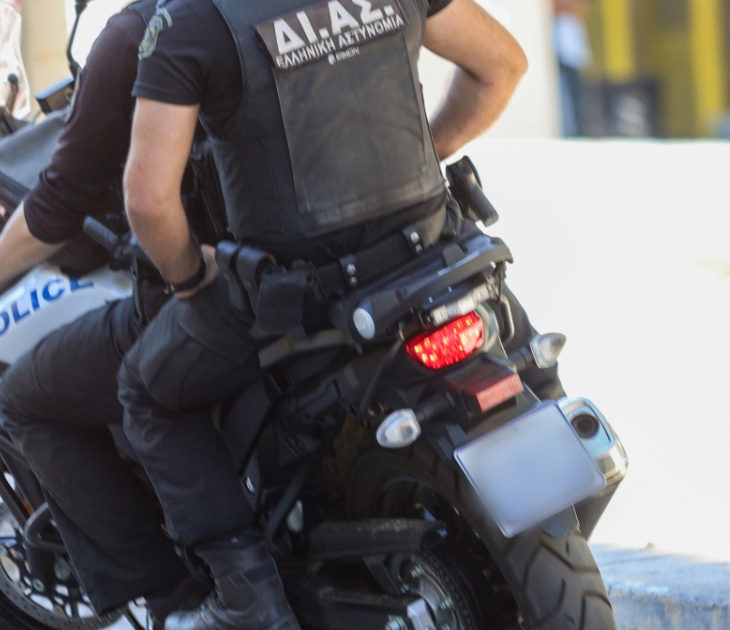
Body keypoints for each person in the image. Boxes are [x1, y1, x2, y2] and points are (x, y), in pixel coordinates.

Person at [118, 0, 551, 627]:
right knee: (524, 355)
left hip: (303, 292)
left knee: (146, 387)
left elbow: (148, 201)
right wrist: (426, 152)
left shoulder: (191, 23)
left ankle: (246, 598)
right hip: (427, 255)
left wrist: (191, 276)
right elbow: (502, 67)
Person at [0, 1, 211, 620]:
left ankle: (179, 604)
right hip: (390, 252)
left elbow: (94, 202)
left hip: (234, 289)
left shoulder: (152, 30)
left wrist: (191, 277)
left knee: (29, 397)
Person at [553, 0, 592, 137]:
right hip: (556, 56)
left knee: (575, 102)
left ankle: (576, 135)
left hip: (572, 55)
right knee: (563, 103)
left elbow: (580, 8)